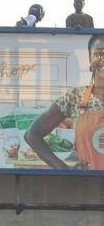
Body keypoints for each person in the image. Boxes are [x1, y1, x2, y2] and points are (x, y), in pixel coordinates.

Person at [25, 34, 104, 170]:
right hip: (88, 182)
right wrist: (65, 171)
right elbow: (32, 135)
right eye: (99, 53)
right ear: (90, 59)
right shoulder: (75, 97)